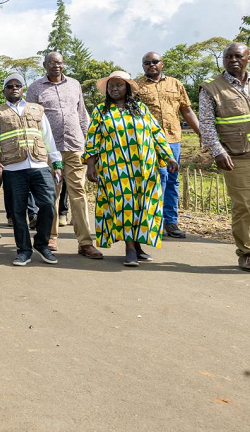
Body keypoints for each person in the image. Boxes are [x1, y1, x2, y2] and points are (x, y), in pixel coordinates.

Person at [83, 71, 177, 266]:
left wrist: (168, 156)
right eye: (111, 86)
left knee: (142, 205)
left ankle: (138, 246)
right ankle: (130, 248)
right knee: (125, 205)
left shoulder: (141, 109)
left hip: (144, 167)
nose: (114, 89)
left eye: (119, 85)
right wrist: (91, 165)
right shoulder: (101, 111)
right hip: (116, 169)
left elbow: (156, 133)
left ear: (127, 88)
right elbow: (92, 139)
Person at [26, 52, 102, 258]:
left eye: (59, 62)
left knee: (79, 193)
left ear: (63, 64)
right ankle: (51, 236)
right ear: (45, 64)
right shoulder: (35, 88)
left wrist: (88, 145)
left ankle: (85, 242)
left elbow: (82, 115)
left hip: (75, 146)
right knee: (52, 194)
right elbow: (29, 120)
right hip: (49, 149)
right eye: (52, 62)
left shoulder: (74, 84)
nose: (56, 66)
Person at [0, 74, 63, 267]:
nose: (14, 88)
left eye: (17, 85)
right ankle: (24, 250)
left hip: (39, 166)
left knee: (48, 205)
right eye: (10, 86)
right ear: (4, 90)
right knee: (18, 212)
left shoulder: (37, 110)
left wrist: (57, 162)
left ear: (22, 89)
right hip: (13, 168)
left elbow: (48, 136)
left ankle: (42, 244)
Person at [135, 51, 201, 239]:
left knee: (172, 180)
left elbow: (186, 111)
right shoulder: (136, 86)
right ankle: (154, 222)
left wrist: (202, 133)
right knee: (157, 178)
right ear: (143, 66)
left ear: (162, 64)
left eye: (155, 61)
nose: (151, 64)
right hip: (149, 141)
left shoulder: (175, 84)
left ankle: (171, 222)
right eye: (147, 62)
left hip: (173, 140)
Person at [199, 43, 250, 271]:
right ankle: (246, 252)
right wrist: (218, 151)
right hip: (236, 156)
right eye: (228, 57)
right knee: (244, 206)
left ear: (248, 57)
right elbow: (206, 124)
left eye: (238, 56)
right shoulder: (211, 88)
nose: (233, 60)